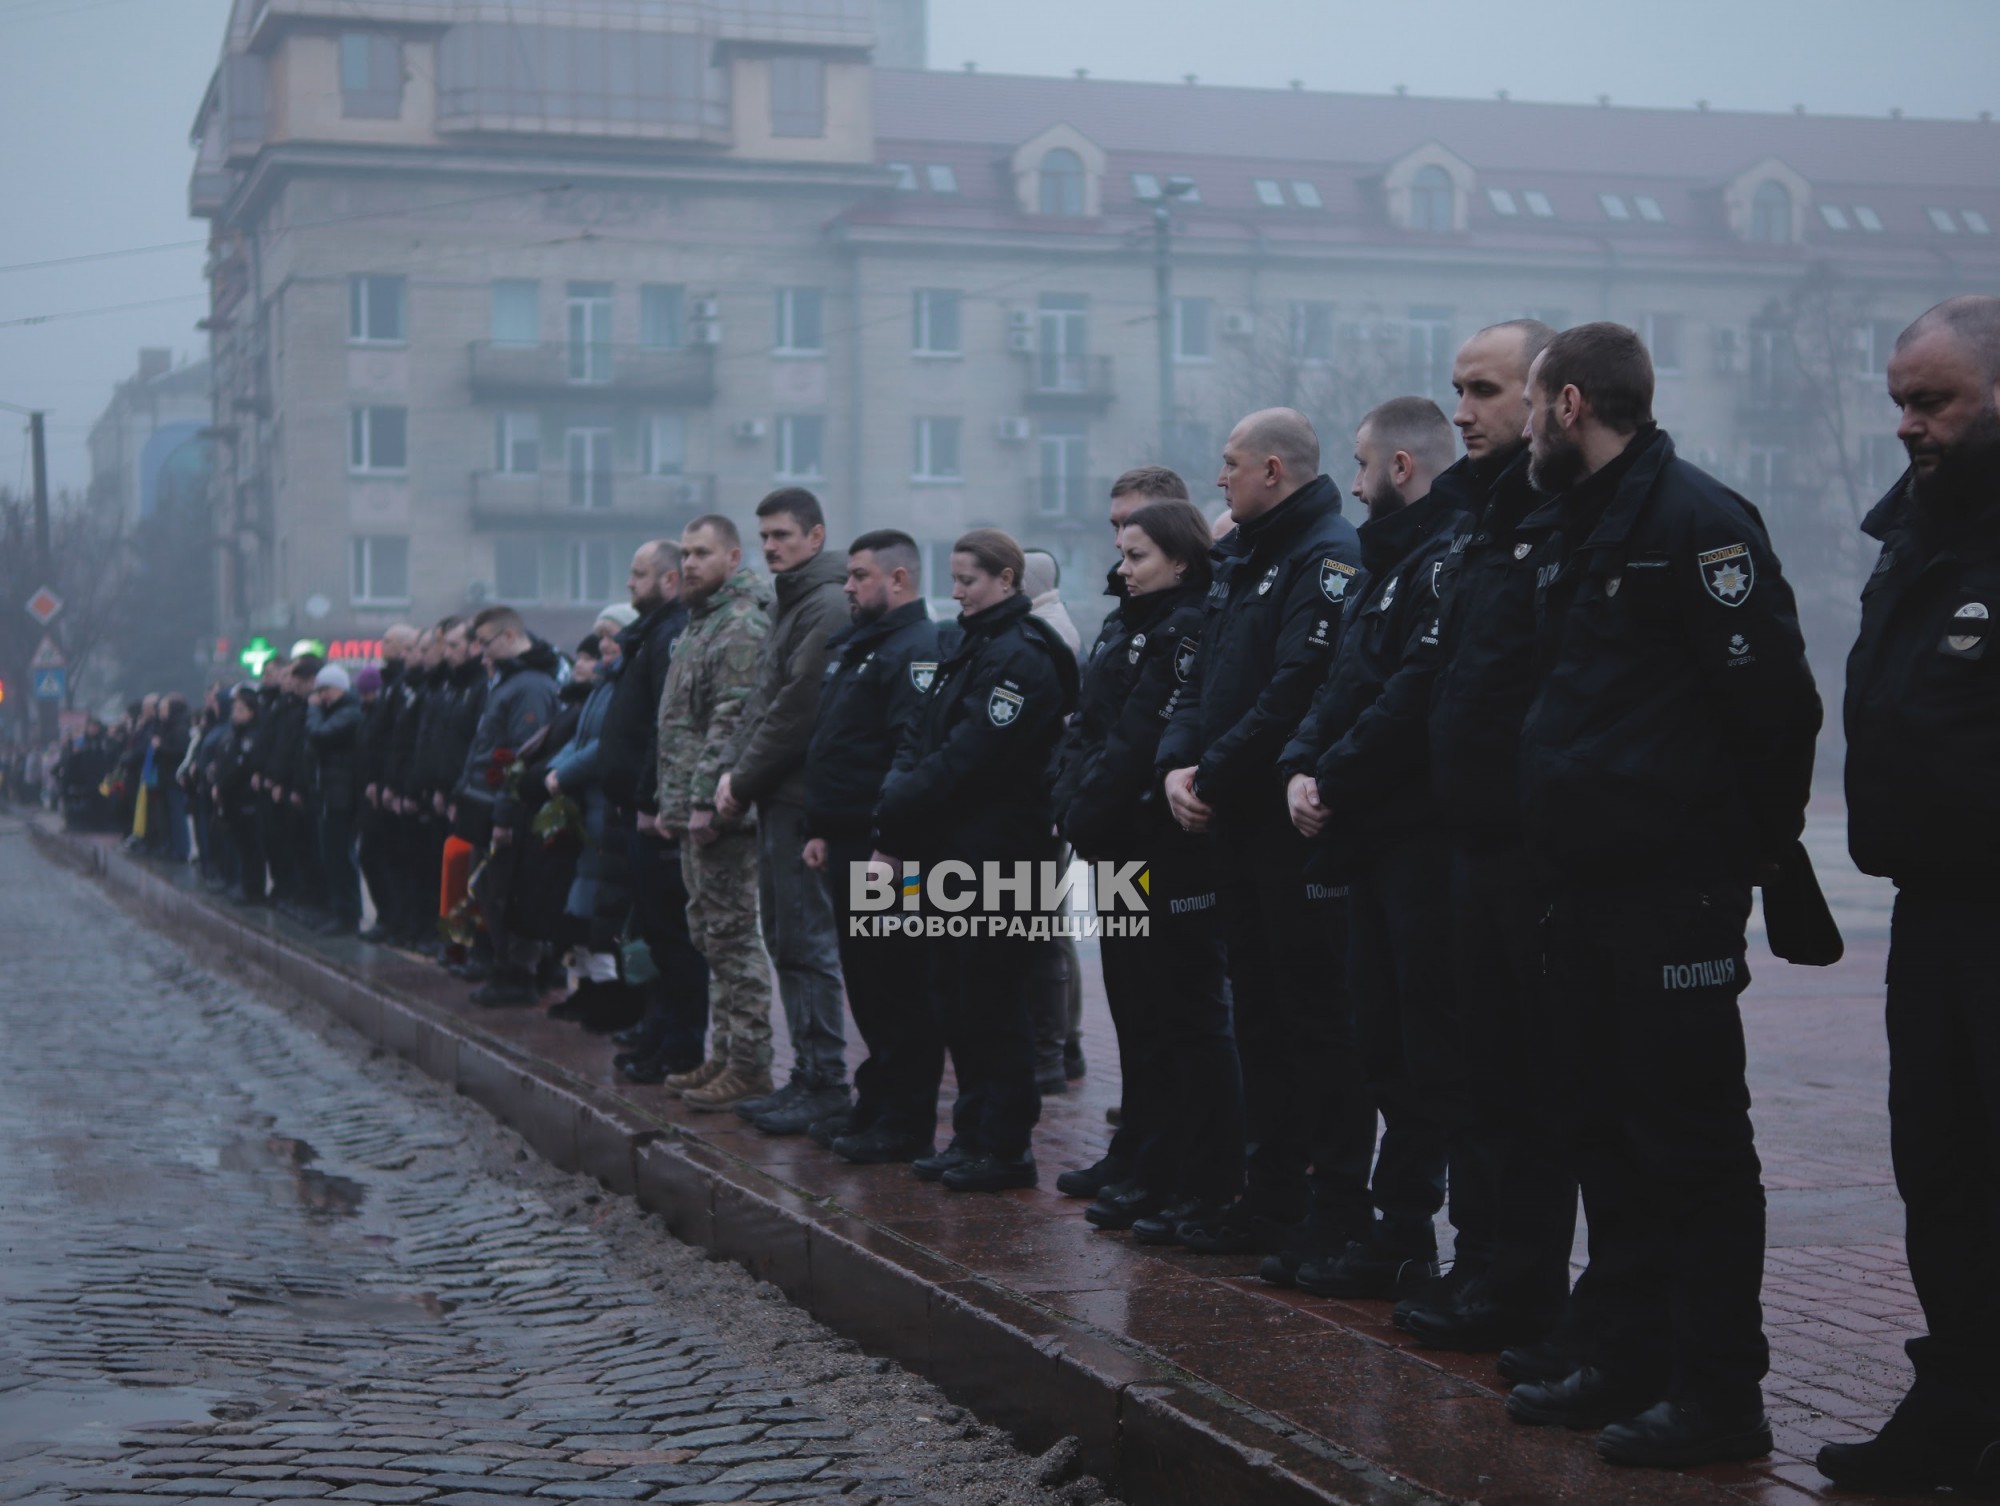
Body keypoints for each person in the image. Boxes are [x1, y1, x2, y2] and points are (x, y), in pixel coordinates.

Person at [1501, 323, 1819, 1469]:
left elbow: (1773, 713)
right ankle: (1626, 1359)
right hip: (1579, 891)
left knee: (1686, 1144)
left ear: (1569, 402)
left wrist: (1729, 861)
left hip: (1667, 893)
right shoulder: (1570, 524)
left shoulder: (1695, 522)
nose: (1522, 424)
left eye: (1529, 404)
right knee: (1602, 1132)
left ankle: (1718, 1395)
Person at [1825, 295, 2000, 1496]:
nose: (1904, 424)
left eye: (1929, 400)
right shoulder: (1916, 531)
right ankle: (1957, 1404)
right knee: (1937, 1168)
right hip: (1934, 906)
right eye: (1896, 399)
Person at [1397, 320, 1576, 1362]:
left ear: (1548, 397)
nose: (1459, 411)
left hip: (1531, 852)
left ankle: (1527, 1287)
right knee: (1478, 1080)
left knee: (1538, 1090)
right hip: (1462, 845)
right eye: (1455, 390)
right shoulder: (1474, 521)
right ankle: (1486, 1271)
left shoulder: (1561, 520)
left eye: (1480, 390)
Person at [1156, 408, 1371, 1260]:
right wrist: (1179, 762)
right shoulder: (1241, 558)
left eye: (1231, 463)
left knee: (1312, 1021)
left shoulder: (1325, 557)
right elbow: (1197, 678)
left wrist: (1208, 774)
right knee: (1258, 1019)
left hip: (1288, 827)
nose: (1219, 477)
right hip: (1234, 823)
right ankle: (1269, 1194)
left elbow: (1293, 690)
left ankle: (1329, 1206)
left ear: (1274, 470)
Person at [1277, 396, 1465, 1307]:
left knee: (1430, 1051)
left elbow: (1411, 698)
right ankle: (1396, 1232)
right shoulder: (1388, 565)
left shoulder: (1441, 559)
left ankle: (1409, 1233)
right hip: (1369, 841)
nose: (1350, 485)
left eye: (1360, 466)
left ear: (1400, 468)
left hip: (1419, 842)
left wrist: (1333, 778)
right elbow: (1343, 683)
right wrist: (1302, 767)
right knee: (1382, 1042)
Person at [1055, 498, 1239, 1233]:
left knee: (1182, 1015)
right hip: (1113, 843)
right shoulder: (1126, 623)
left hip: (1159, 849)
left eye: (1136, 556)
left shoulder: (1186, 626)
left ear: (1182, 560)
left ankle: (1197, 1175)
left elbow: (1136, 738)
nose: (1120, 568)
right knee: (1136, 1012)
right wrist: (1068, 797)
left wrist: (1079, 808)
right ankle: (1145, 1157)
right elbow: (1085, 728)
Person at [877, 528, 1079, 1193]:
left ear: (1006, 580)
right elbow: (919, 730)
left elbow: (972, 756)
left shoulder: (1023, 656)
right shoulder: (966, 643)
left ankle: (1005, 1146)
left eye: (969, 580)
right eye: (954, 579)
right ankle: (969, 1135)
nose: (957, 592)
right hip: (946, 850)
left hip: (999, 852)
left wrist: (902, 798)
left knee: (995, 1003)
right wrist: (899, 789)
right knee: (954, 999)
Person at [804, 530, 949, 1164]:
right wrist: (820, 827)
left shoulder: (915, 649)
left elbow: (906, 756)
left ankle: (905, 1117)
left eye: (859, 576)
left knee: (897, 984)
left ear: (899, 580)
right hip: (847, 840)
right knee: (865, 981)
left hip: (886, 851)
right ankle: (878, 1097)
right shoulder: (865, 646)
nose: (848, 587)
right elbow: (839, 745)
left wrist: (890, 843)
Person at [714, 489, 852, 1136]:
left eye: (782, 536)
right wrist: (736, 775)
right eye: (764, 536)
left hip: (797, 798)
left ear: (815, 537)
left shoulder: (822, 604)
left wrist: (740, 780)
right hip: (777, 795)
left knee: (804, 944)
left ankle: (824, 1081)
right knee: (787, 940)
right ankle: (808, 1076)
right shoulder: (793, 601)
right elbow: (762, 701)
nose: (770, 547)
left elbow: (796, 709)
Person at [656, 515, 776, 1110]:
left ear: (733, 558)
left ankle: (751, 1063)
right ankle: (725, 1054)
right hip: (691, 812)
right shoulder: (700, 624)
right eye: (685, 553)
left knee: (732, 936)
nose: (689, 564)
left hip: (721, 815)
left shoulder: (738, 625)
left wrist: (705, 801)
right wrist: (673, 804)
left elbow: (731, 721)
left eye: (702, 553)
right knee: (710, 935)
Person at [598, 543, 710, 1079]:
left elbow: (666, 730)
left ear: (669, 581)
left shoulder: (670, 636)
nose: (629, 583)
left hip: (656, 814)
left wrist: (651, 800)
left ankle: (679, 1044)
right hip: (639, 810)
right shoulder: (650, 635)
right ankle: (658, 1034)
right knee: (657, 936)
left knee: (673, 937)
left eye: (639, 574)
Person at [455, 607, 562, 1005]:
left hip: (510, 812)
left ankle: (517, 975)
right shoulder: (509, 681)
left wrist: (505, 814)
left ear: (509, 636)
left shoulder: (529, 687)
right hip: (487, 804)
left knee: (506, 893)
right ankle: (511, 968)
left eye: (485, 642)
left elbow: (520, 757)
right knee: (489, 889)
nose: (480, 652)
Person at [545, 607, 637, 1011]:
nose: (602, 645)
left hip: (857, 843)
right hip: (853, 844)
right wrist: (556, 770)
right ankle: (589, 991)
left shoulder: (624, 685)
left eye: (611, 635)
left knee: (856, 936)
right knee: (583, 910)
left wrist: (564, 773)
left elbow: (609, 744)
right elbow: (586, 740)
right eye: (600, 637)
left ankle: (610, 995)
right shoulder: (605, 684)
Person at [1021, 547, 1087, 1098]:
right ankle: (1064, 1039)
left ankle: (1063, 1040)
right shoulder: (1050, 624)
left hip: (1044, 805)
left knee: (1048, 929)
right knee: (1052, 926)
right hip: (1050, 801)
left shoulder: (1048, 633)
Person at [306, 663, 365, 936]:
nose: (322, 696)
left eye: (326, 690)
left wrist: (314, 709)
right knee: (330, 856)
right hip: (330, 794)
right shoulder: (336, 711)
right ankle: (339, 910)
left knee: (342, 856)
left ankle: (349, 914)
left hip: (341, 796)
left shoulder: (350, 713)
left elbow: (320, 734)